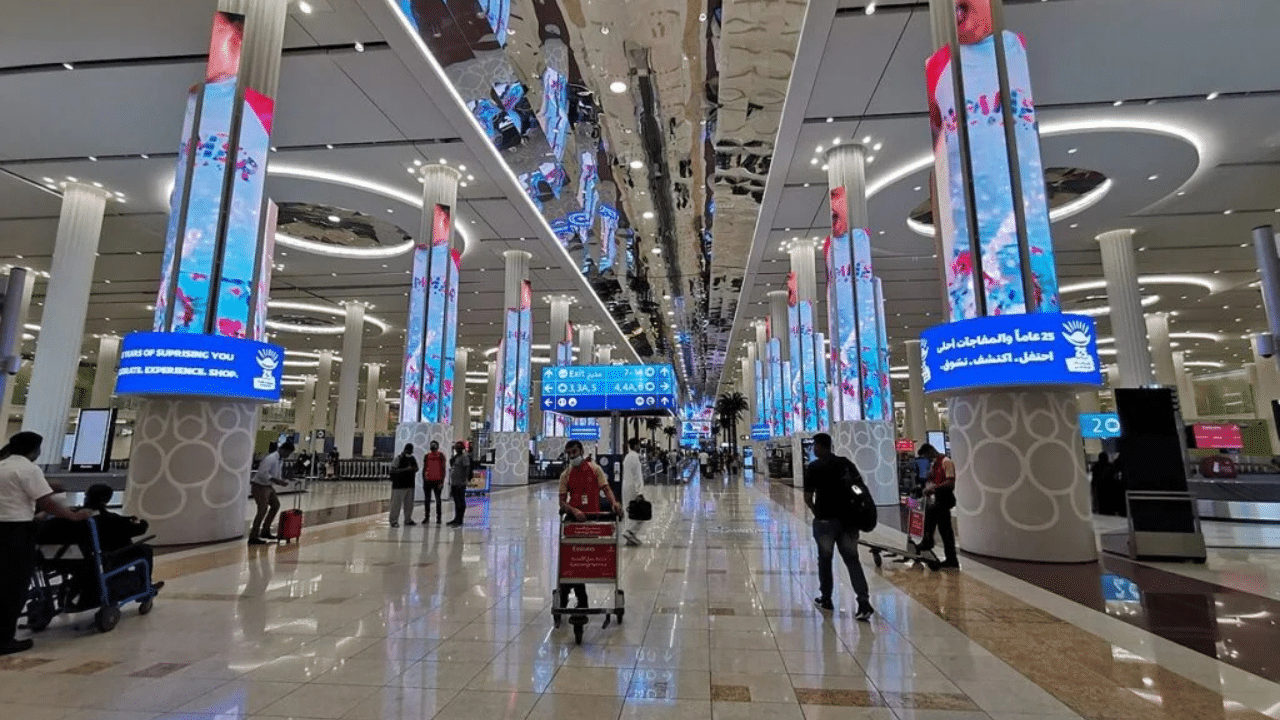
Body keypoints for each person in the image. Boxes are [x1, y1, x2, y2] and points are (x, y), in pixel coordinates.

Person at [0, 432, 91, 655]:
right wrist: (72, 516)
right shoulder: (29, 469)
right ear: (34, 449)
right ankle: (4, 640)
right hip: (17, 532)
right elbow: (46, 503)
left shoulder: (3, 466)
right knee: (15, 586)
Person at [803, 432, 874, 620]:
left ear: (818, 446)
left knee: (825, 559)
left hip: (825, 520)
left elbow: (808, 497)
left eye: (814, 446)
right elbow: (860, 487)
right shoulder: (846, 463)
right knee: (852, 560)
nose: (813, 449)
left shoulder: (814, 467)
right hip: (849, 521)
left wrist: (815, 510)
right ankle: (864, 601)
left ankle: (826, 598)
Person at [557, 440, 623, 609]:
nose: (572, 456)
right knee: (573, 558)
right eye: (569, 453)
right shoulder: (566, 474)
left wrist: (614, 504)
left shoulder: (595, 469)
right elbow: (562, 502)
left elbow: (606, 489)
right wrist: (573, 510)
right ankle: (578, 597)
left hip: (593, 519)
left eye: (574, 452)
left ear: (581, 451)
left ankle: (572, 596)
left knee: (584, 557)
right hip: (574, 521)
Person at [78, 484, 163, 602]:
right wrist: (142, 522)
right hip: (110, 558)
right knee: (144, 550)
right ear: (106, 500)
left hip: (83, 557)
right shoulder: (110, 519)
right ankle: (144, 589)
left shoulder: (76, 516)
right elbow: (138, 529)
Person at [916, 444, 959, 569]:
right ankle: (927, 542)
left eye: (926, 456)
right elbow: (932, 479)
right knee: (929, 519)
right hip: (935, 500)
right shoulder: (934, 464)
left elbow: (950, 483)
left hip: (944, 499)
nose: (926, 459)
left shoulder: (946, 462)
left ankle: (952, 560)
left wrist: (934, 488)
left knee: (945, 530)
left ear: (930, 451)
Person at [249, 441, 294, 544]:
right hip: (260, 486)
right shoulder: (271, 458)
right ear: (283, 450)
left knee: (275, 505)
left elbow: (275, 475)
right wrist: (277, 481)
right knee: (262, 510)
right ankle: (253, 536)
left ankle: (265, 531)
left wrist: (282, 480)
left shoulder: (280, 460)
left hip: (268, 486)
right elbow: (262, 474)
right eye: (288, 453)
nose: (288, 455)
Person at [622, 438, 646, 546]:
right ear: (635, 445)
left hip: (626, 486)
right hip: (633, 487)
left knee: (629, 511)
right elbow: (638, 476)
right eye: (638, 445)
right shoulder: (635, 457)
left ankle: (630, 537)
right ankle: (629, 531)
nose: (639, 447)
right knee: (641, 512)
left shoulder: (627, 457)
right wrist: (639, 492)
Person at [389, 444, 418, 527]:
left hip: (410, 485)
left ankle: (408, 519)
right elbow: (393, 470)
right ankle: (393, 520)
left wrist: (413, 469)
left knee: (409, 504)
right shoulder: (398, 458)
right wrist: (405, 469)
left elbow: (416, 468)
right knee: (396, 504)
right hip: (399, 485)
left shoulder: (412, 459)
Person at [446, 441, 472, 527]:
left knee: (460, 501)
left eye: (458, 448)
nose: (457, 449)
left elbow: (467, 468)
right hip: (454, 482)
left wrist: (465, 480)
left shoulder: (464, 457)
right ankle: (456, 518)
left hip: (460, 483)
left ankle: (460, 519)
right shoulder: (456, 457)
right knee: (456, 501)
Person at [421, 441, 447, 524]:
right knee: (437, 499)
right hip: (436, 480)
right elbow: (443, 469)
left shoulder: (428, 456)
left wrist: (424, 479)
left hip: (431, 480)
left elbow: (424, 468)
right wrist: (442, 481)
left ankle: (429, 517)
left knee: (429, 500)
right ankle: (437, 518)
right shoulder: (440, 456)